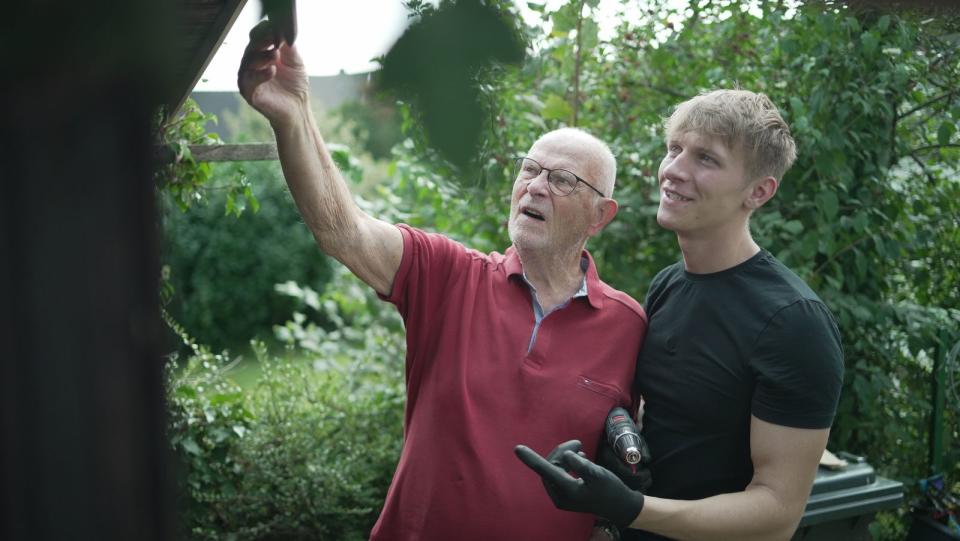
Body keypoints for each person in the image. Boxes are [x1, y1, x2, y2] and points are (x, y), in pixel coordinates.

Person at [237, 20, 648, 541]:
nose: (536, 186)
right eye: (529, 169)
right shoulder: (450, 277)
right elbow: (344, 230)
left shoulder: (630, 327)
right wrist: (294, 115)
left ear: (599, 216)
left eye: (562, 179)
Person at [515, 89, 844, 541]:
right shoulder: (669, 285)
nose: (673, 171)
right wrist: (621, 432)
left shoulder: (794, 322)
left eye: (706, 159)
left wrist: (633, 508)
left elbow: (778, 512)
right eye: (674, 149)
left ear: (759, 191)